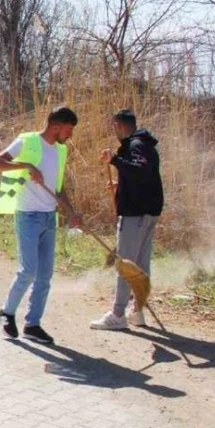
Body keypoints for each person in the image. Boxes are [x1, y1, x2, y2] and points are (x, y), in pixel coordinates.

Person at [0, 106, 81, 345]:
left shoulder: (60, 151)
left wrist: (71, 212)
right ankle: (7, 313)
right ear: (55, 126)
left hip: (49, 217)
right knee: (28, 270)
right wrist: (27, 166)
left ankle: (33, 324)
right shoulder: (27, 141)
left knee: (45, 276)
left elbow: (58, 188)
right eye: (68, 130)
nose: (70, 135)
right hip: (27, 215)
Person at [91, 109, 163, 330]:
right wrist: (121, 188)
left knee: (125, 265)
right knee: (140, 266)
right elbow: (143, 178)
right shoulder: (144, 144)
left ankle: (118, 313)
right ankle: (138, 312)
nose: (113, 131)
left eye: (114, 127)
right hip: (147, 213)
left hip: (136, 215)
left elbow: (139, 171)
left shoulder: (135, 145)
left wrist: (115, 160)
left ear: (119, 125)